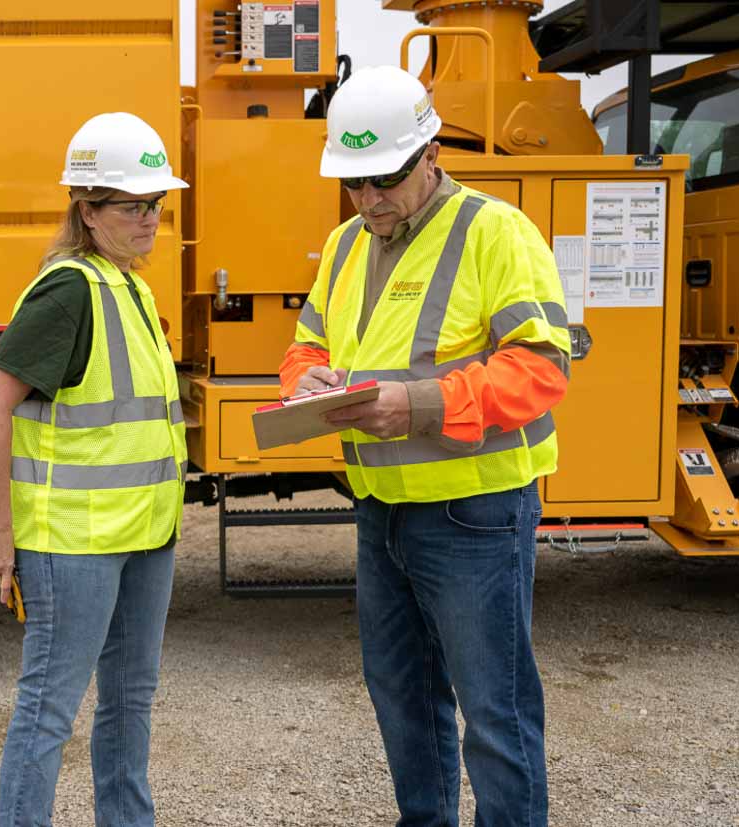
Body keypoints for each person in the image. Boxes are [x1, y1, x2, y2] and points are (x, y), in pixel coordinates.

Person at [281, 66, 571, 827]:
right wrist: (309, 384)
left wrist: (419, 405)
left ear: (431, 152)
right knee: (404, 699)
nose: (370, 199)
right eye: (354, 183)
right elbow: (308, 343)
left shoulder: (494, 231)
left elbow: (542, 369)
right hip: (383, 512)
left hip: (476, 514)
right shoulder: (346, 243)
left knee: (496, 711)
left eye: (385, 178)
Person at [0, 111, 191, 827]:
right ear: (88, 212)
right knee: (48, 711)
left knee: (129, 702)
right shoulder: (69, 291)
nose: (150, 218)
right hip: (73, 545)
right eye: (132, 205)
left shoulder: (130, 286)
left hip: (142, 538)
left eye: (156, 203)